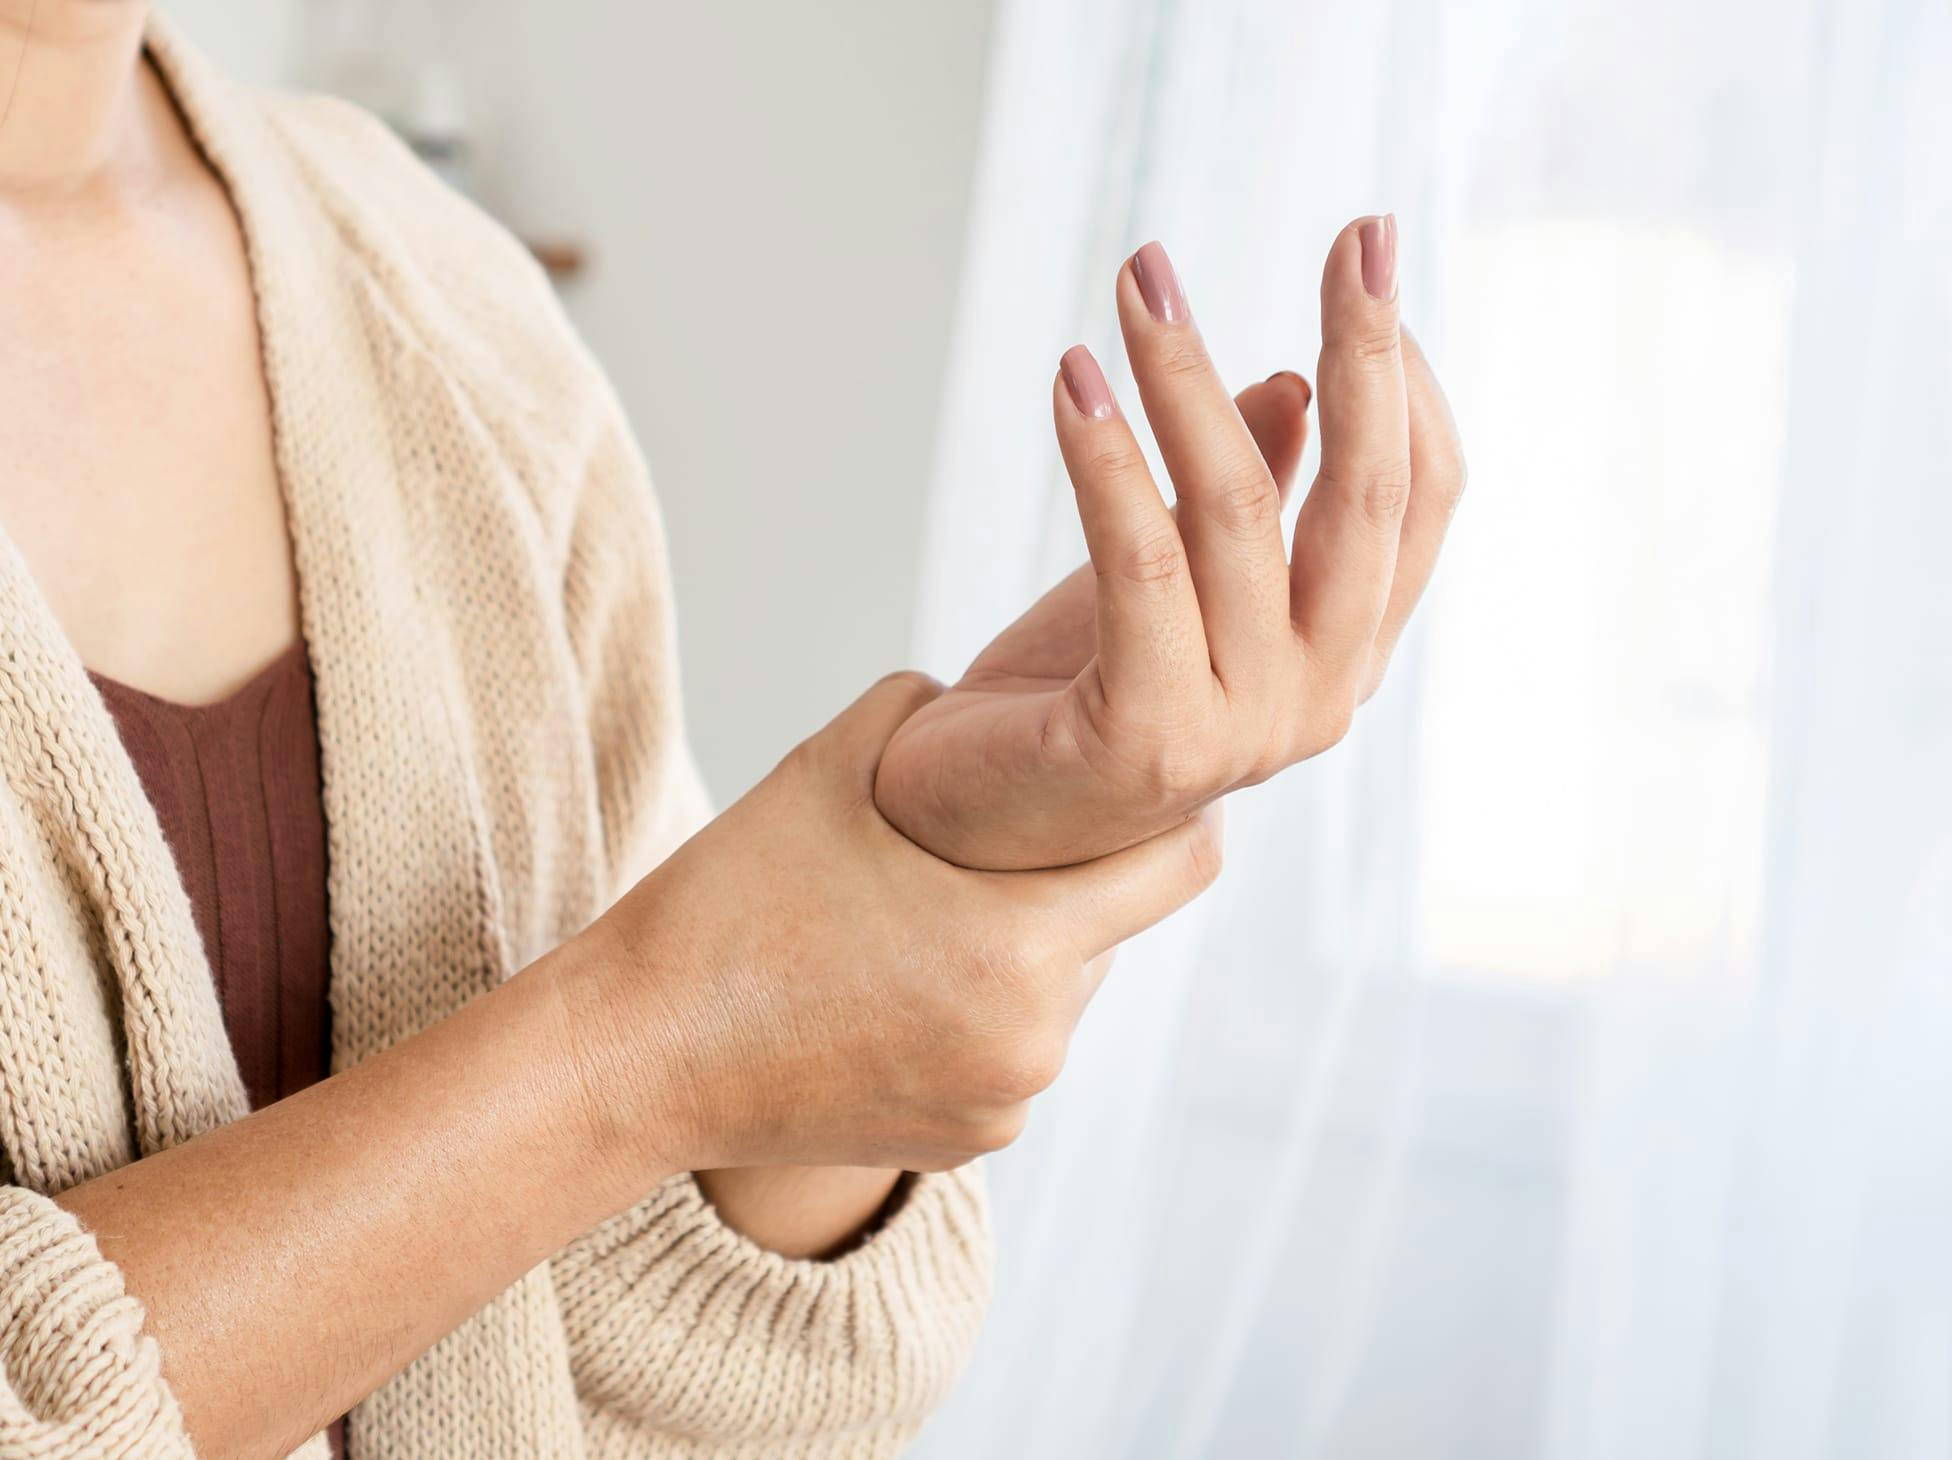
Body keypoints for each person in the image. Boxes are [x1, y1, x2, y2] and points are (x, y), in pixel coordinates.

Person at [0, 4, 1465, 1456]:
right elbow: (631, 1066)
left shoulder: (441, 294)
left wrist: (900, 914)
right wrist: (635, 1047)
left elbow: (648, 1376)